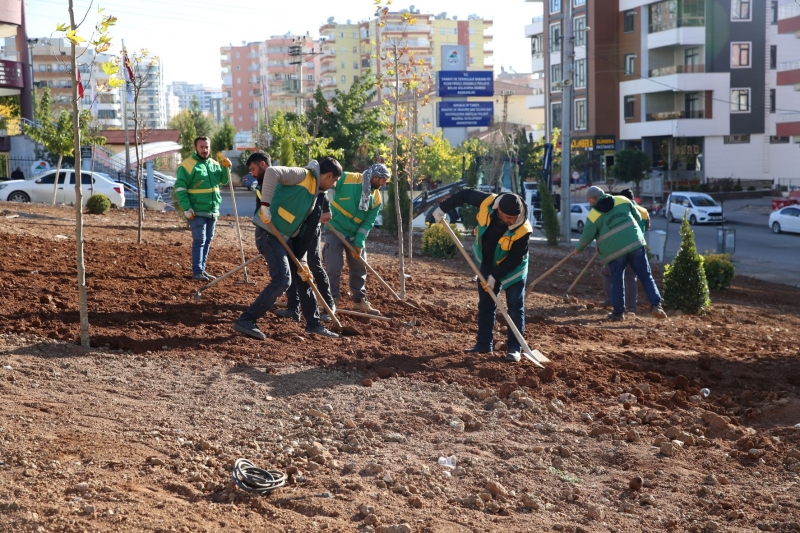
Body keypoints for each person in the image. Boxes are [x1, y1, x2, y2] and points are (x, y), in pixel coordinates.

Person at [232, 154, 343, 341]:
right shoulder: (303, 175)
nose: (334, 185)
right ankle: (246, 320)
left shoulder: (317, 194)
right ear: (329, 175)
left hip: (285, 238)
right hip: (269, 232)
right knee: (282, 280)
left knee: (302, 277)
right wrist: (265, 206)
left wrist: (303, 261)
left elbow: (304, 232)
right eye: (335, 181)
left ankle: (313, 324)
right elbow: (273, 172)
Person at [434, 189, 532, 362]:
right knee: (486, 304)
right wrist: (442, 208)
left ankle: (515, 348)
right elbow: (463, 194)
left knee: (515, 308)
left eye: (514, 218)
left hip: (513, 269)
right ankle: (484, 344)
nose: (511, 221)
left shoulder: (523, 229)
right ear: (499, 211)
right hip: (487, 262)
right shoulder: (488, 201)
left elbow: (516, 258)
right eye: (508, 217)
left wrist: (495, 276)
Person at [576, 186, 667, 322]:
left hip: (614, 251)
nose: (590, 204)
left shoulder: (594, 215)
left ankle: (618, 313)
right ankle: (656, 306)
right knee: (646, 276)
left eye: (590, 201)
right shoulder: (623, 200)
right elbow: (636, 217)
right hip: (635, 244)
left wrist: (579, 248)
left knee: (617, 280)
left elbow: (587, 235)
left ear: (595, 198)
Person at [323, 163, 390, 315]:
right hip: (335, 227)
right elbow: (325, 185)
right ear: (374, 177)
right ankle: (331, 299)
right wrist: (323, 207)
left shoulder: (377, 198)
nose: (384, 183)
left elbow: (368, 222)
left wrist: (359, 241)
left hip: (354, 234)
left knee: (359, 266)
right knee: (334, 266)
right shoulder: (348, 178)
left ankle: (360, 300)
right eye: (383, 180)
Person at [273, 192, 337, 322]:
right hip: (293, 227)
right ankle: (293, 309)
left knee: (313, 264)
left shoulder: (312, 177)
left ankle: (329, 306)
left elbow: (321, 190)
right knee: (293, 265)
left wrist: (326, 209)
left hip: (311, 228)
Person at [174, 136, 229, 281]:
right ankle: (197, 271)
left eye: (207, 147)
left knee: (207, 240)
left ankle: (202, 271)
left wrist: (225, 168)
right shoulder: (187, 165)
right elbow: (180, 188)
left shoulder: (213, 164)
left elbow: (222, 181)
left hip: (212, 210)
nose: (205, 150)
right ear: (195, 148)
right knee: (200, 240)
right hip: (196, 211)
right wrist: (186, 207)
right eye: (201, 147)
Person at [600, 188, 650, 312]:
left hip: (619, 248)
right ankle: (631, 307)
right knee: (631, 277)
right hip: (637, 247)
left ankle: (612, 298)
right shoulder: (644, 211)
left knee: (608, 273)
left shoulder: (621, 209)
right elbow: (647, 227)